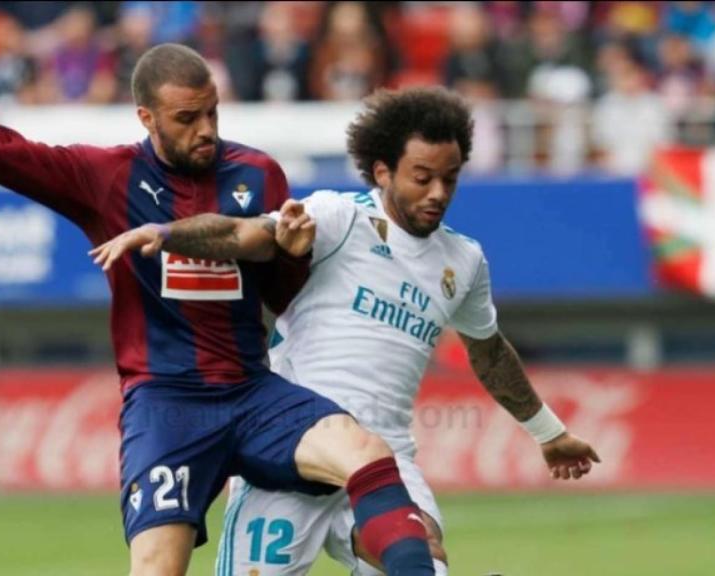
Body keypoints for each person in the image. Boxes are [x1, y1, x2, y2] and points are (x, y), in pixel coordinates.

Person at [0, 30, 440, 576]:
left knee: (366, 452)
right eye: (187, 119)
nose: (206, 130)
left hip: (251, 390)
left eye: (212, 112)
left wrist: (291, 255)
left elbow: (278, 297)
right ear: (147, 118)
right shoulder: (104, 176)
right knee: (158, 566)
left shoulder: (258, 174)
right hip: (166, 404)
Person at [92, 86, 601, 574]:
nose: (438, 193)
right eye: (422, 177)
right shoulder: (337, 218)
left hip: (383, 456)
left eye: (450, 178)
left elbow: (488, 353)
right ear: (382, 171)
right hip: (287, 449)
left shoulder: (463, 260)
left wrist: (548, 433)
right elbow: (242, 232)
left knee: (422, 548)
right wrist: (166, 232)